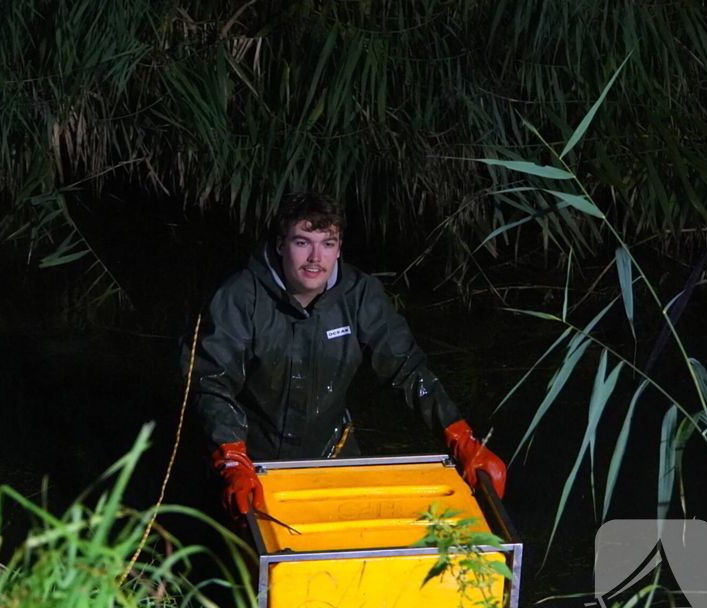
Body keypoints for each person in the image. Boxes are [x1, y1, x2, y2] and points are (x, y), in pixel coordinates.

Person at [186, 191, 506, 516]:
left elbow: (407, 369)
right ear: (281, 245)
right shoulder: (239, 296)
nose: (315, 258)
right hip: (252, 460)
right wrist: (232, 460)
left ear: (339, 249)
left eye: (327, 244)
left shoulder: (359, 293)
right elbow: (210, 381)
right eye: (302, 242)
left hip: (332, 451)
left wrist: (461, 438)